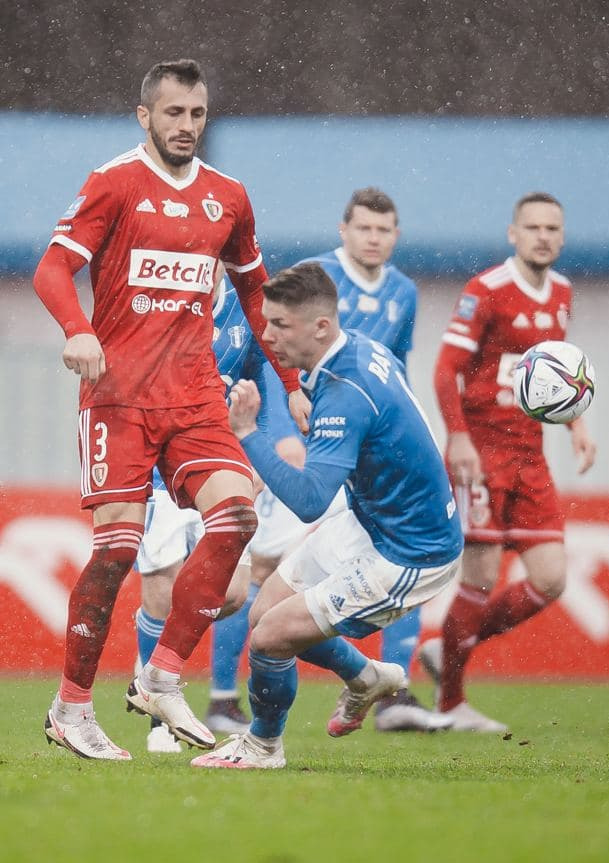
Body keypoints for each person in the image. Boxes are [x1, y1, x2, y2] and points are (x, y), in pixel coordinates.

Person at [33, 58, 308, 760]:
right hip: (120, 397)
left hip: (194, 396)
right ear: (145, 116)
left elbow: (256, 293)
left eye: (197, 114)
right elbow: (52, 268)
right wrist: (78, 329)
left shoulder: (228, 197)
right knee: (117, 551)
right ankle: (71, 707)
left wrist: (292, 380)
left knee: (236, 517)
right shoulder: (114, 182)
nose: (186, 126)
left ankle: (160, 676)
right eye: (174, 113)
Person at [191, 261, 464, 770]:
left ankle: (263, 747)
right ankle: (366, 677)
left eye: (280, 325)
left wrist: (248, 434)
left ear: (320, 326)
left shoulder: (344, 393)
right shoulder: (355, 348)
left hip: (411, 553)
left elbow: (310, 501)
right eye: (266, 322)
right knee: (262, 613)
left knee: (271, 638)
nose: (267, 336)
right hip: (372, 521)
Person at [418, 192, 596, 732]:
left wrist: (576, 424)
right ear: (513, 234)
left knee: (551, 579)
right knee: (481, 577)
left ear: (562, 237)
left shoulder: (562, 293)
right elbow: (445, 369)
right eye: (533, 227)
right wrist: (459, 438)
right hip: (482, 452)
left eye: (552, 228)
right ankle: (450, 703)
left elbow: (551, 377)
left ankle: (451, 648)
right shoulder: (487, 289)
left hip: (529, 454)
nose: (543, 236)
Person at [292, 187, 449, 732]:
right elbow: (275, 349)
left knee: (401, 549)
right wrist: (283, 414)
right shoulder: (315, 278)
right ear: (344, 230)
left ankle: (394, 694)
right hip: (319, 443)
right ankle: (226, 692)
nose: (374, 238)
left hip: (374, 453)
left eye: (383, 230)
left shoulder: (403, 291)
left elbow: (396, 368)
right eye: (364, 228)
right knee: (268, 571)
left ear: (396, 236)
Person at [134, 275, 302, 754]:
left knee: (230, 593)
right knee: (162, 587)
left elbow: (258, 392)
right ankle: (158, 718)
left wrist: (259, 453)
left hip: (220, 463)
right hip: (158, 466)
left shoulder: (245, 310)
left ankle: (152, 652)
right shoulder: (156, 301)